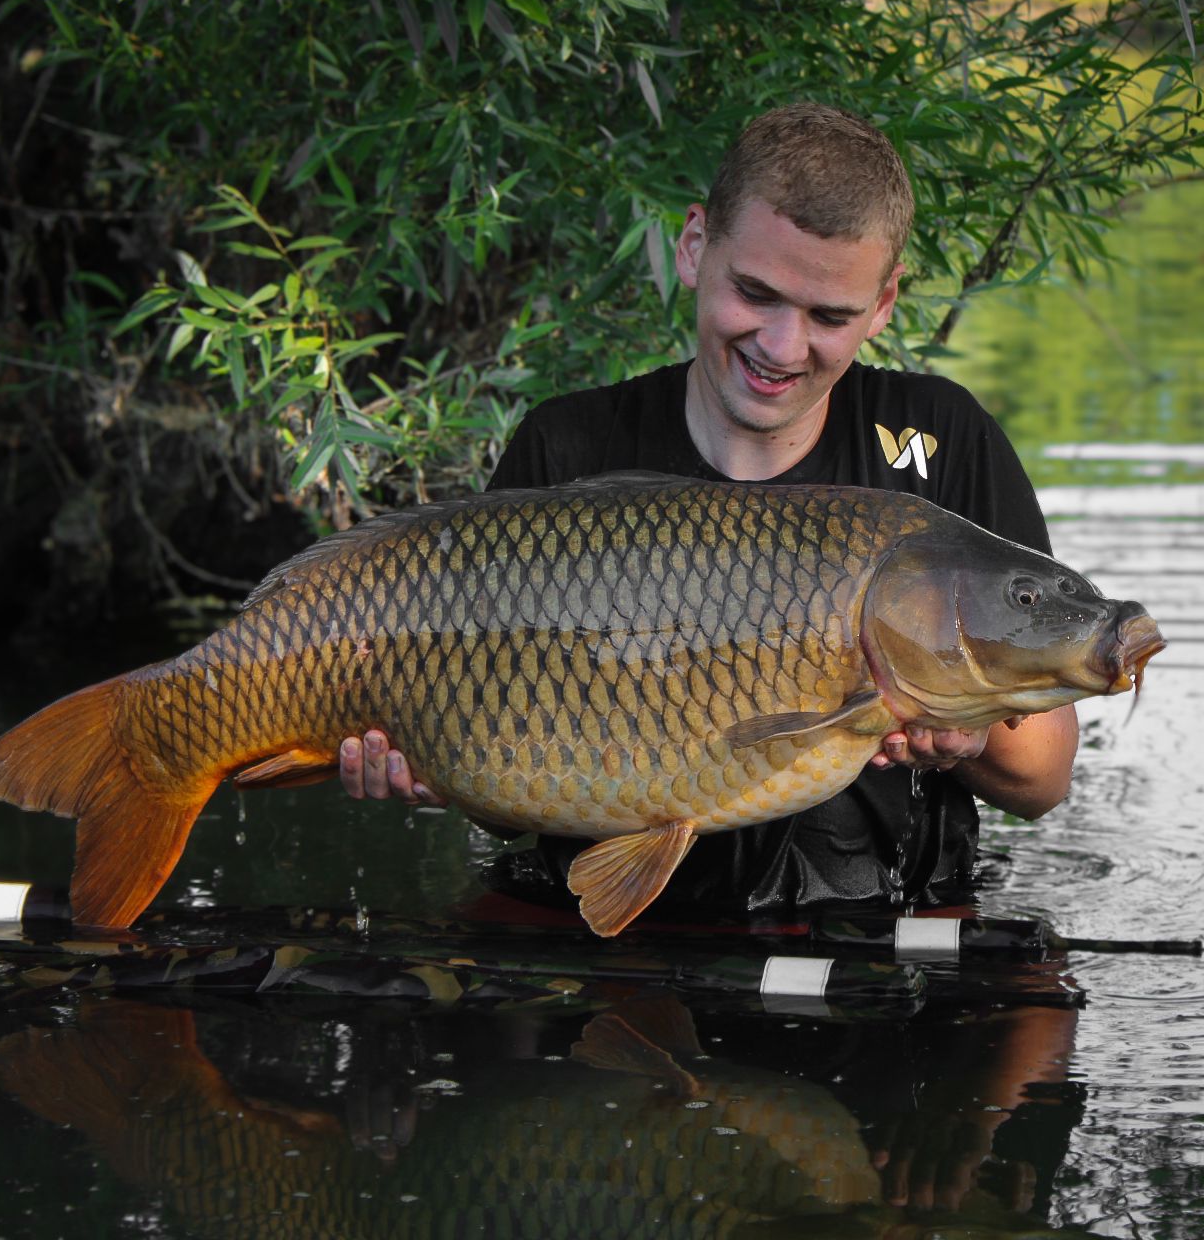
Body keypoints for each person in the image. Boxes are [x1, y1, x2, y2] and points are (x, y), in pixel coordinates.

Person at [338, 102, 1078, 915]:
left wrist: (959, 731)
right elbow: (499, 792)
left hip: (886, 927)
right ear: (695, 248)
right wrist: (433, 758)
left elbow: (1042, 780)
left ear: (884, 304)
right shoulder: (569, 445)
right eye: (755, 294)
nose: (782, 346)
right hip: (611, 933)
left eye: (829, 316)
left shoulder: (939, 440)